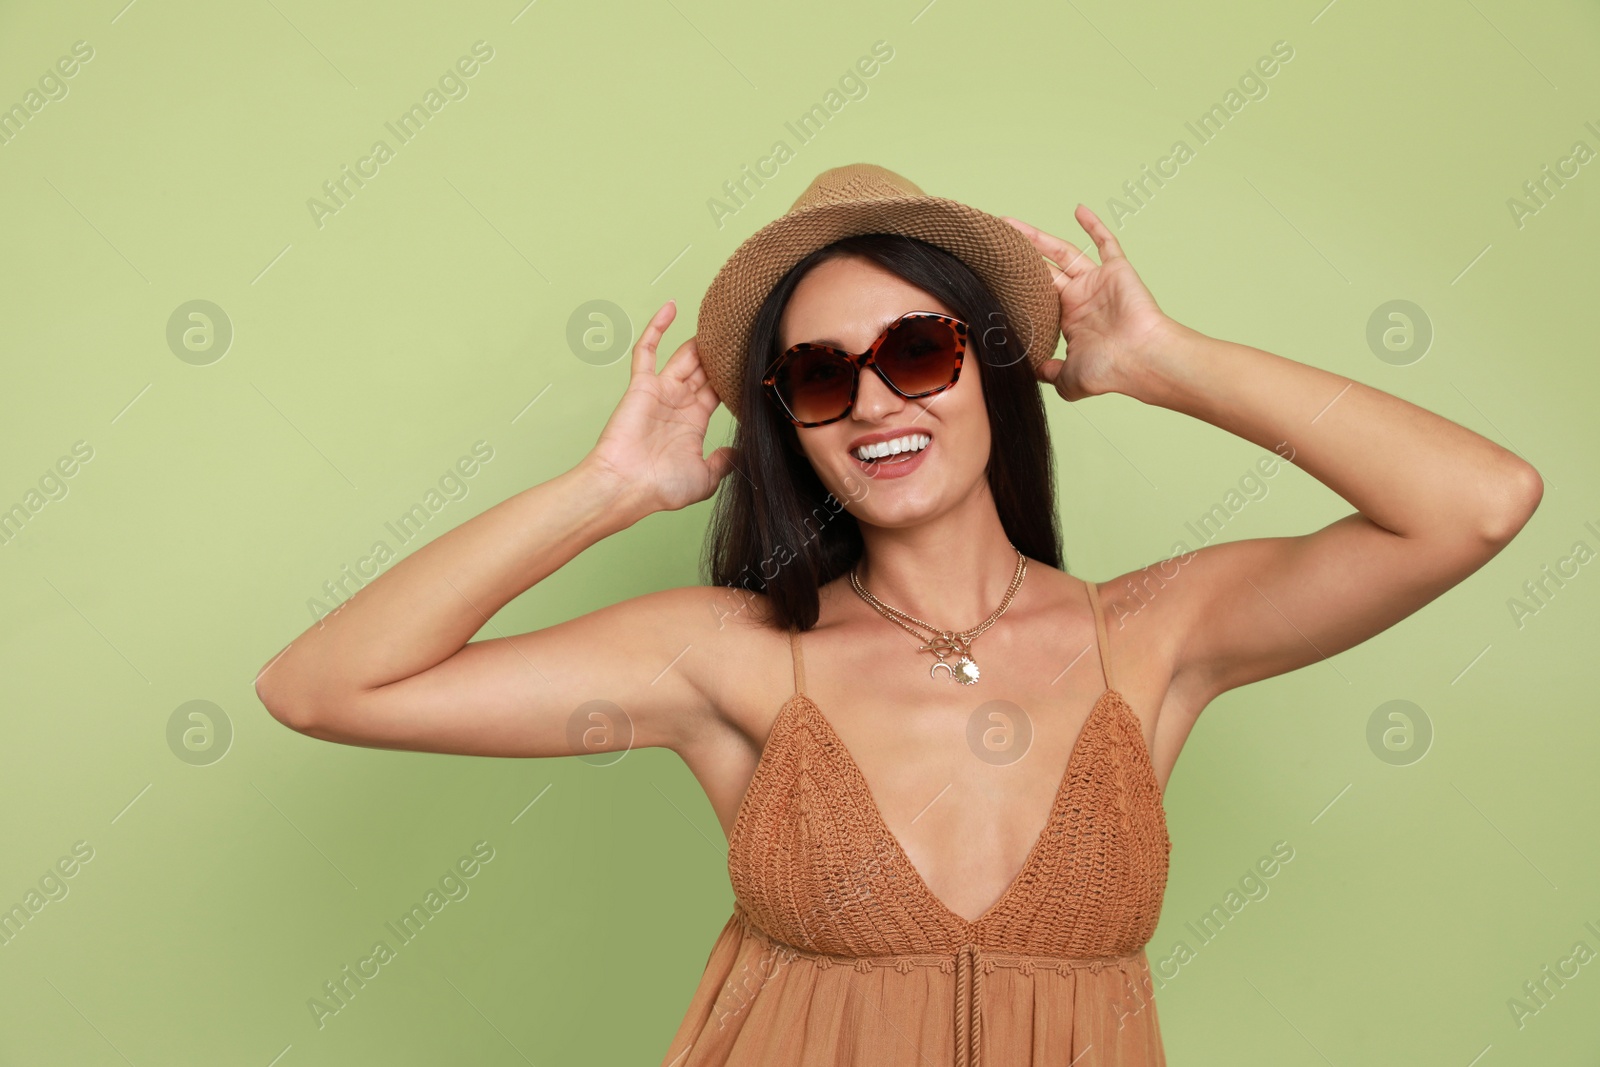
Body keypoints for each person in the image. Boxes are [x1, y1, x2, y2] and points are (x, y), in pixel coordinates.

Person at [254, 164, 1543, 1066]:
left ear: (991, 364)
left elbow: (1478, 503)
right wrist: (609, 490)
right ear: (788, 422)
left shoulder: (1153, 633)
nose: (876, 404)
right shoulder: (723, 657)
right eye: (820, 376)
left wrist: (1159, 361)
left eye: (917, 352)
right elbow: (324, 688)